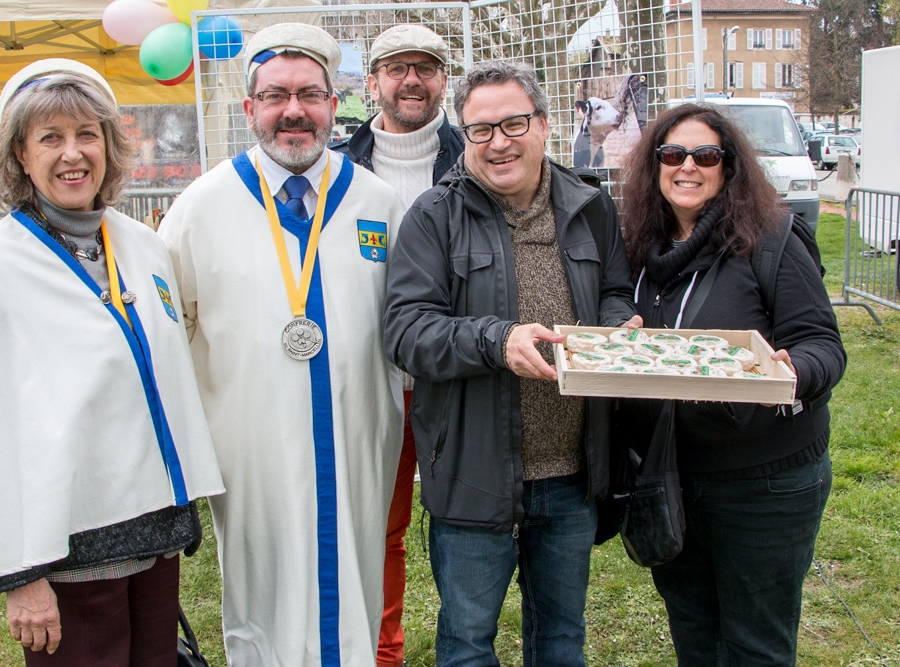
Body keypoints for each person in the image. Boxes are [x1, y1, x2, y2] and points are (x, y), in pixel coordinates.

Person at [0, 59, 225, 666]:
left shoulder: (140, 245)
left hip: (155, 537)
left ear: (110, 147)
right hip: (67, 553)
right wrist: (19, 574)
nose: (72, 154)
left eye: (88, 135)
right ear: (18, 156)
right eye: (50, 138)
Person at [158, 23, 405, 667]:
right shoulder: (199, 209)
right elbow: (171, 335)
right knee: (262, 586)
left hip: (358, 440)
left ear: (334, 104)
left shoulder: (377, 201)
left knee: (357, 578)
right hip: (251, 449)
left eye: (310, 94)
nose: (293, 111)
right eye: (274, 96)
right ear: (250, 109)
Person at [382, 60, 639, 667]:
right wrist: (498, 341)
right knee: (468, 644)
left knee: (559, 639)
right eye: (480, 130)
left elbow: (616, 290)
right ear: (464, 136)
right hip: (474, 475)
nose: (498, 142)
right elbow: (406, 331)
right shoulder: (433, 215)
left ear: (545, 126)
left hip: (572, 475)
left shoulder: (590, 206)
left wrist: (612, 325)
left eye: (513, 123)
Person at [618, 103, 846, 665]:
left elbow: (823, 344)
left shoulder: (769, 239)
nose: (687, 166)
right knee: (695, 634)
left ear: (728, 166)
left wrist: (792, 373)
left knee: (755, 645)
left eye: (706, 155)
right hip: (672, 478)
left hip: (763, 483)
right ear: (655, 165)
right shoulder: (639, 249)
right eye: (672, 154)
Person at [333, 23, 463, 667]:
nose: (411, 79)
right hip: (371, 379)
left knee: (464, 525)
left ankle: (465, 646)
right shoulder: (334, 166)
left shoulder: (475, 159)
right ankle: (382, 652)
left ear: (444, 80)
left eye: (426, 67)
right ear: (372, 80)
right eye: (396, 67)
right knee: (378, 527)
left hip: (456, 376)